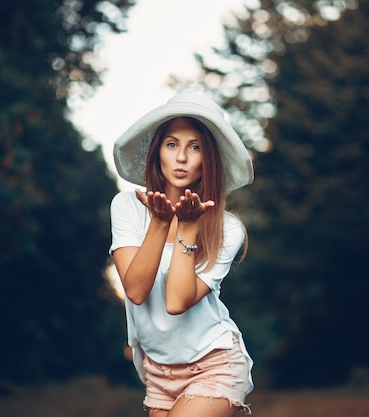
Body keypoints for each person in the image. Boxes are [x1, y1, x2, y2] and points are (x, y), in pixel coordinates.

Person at [109, 92, 254, 416]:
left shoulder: (226, 228)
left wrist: (187, 229)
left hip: (213, 364)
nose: (182, 158)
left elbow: (176, 301)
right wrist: (160, 224)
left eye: (195, 147)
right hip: (158, 374)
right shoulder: (127, 206)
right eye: (172, 144)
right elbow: (135, 290)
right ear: (157, 150)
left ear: (209, 159)